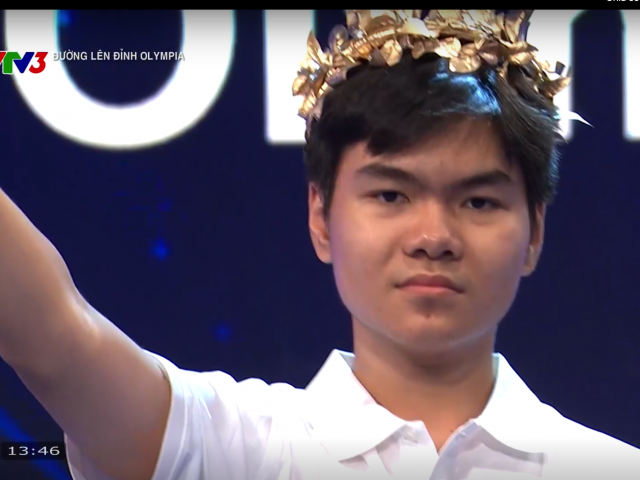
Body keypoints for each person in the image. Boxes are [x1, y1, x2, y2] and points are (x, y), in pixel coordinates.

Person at [0, 9, 637, 480]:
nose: (433, 238)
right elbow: (54, 335)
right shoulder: (229, 448)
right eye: (391, 195)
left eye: (478, 202)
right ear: (321, 218)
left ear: (534, 233)